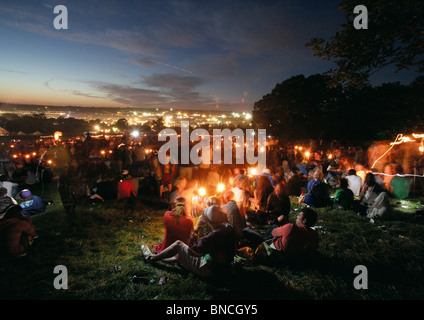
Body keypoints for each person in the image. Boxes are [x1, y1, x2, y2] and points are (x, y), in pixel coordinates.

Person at [141, 205, 235, 279]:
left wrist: (196, 229)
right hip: (224, 269)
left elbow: (191, 249)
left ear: (209, 222)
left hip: (209, 271)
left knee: (179, 244)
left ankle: (151, 258)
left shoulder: (211, 237)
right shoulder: (228, 228)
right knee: (181, 252)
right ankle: (159, 258)